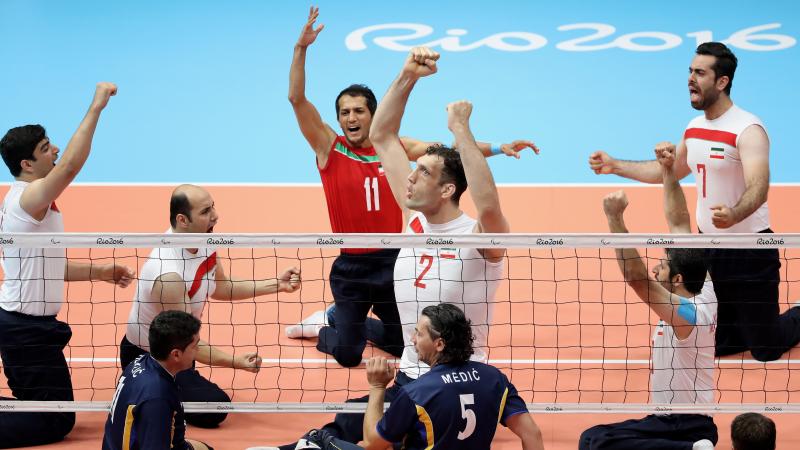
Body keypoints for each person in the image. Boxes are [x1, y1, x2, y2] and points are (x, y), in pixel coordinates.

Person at [272, 46, 528, 449]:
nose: (409, 178)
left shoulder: (479, 238)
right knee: (340, 422)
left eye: (422, 172)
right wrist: (407, 75)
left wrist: (461, 129)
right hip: (410, 377)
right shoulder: (411, 224)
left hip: (456, 380)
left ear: (446, 189)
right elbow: (383, 136)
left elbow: (490, 203)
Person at [286, 7, 537, 368]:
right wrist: (301, 48)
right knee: (347, 354)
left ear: (372, 115)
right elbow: (297, 100)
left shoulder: (399, 150)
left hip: (395, 255)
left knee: (402, 339)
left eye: (359, 111)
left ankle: (351, 324)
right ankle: (331, 322)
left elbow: (446, 154)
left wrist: (498, 147)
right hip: (352, 265)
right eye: (344, 112)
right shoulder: (330, 146)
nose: (351, 118)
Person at [588, 42, 800, 361]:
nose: (690, 78)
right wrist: (615, 165)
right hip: (707, 250)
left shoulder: (748, 129)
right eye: (690, 71)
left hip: (749, 253)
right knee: (709, 344)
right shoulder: (695, 128)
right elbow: (669, 171)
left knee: (766, 349)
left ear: (722, 81)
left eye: (700, 72)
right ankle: (747, 322)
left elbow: (759, 186)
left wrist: (734, 213)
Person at [0, 83, 136, 448]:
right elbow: (73, 165)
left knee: (52, 412)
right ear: (26, 165)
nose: (55, 150)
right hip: (25, 332)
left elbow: (47, 266)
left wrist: (99, 271)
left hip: (27, 328)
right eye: (46, 148)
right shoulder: (30, 198)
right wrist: (96, 108)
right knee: (55, 421)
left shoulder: (32, 205)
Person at [122, 184, 301, 428]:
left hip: (181, 354)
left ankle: (158, 394)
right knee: (216, 409)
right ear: (183, 220)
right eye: (206, 211)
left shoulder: (205, 240)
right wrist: (236, 361)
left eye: (213, 206)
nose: (215, 215)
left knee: (209, 403)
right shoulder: (168, 275)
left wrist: (276, 285)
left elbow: (221, 287)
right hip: (152, 357)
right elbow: (183, 342)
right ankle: (141, 387)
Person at [579, 145, 718, 449]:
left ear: (678, 279)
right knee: (592, 438)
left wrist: (615, 220)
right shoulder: (705, 287)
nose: (657, 270)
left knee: (595, 442)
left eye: (663, 266)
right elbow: (679, 221)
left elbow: (637, 280)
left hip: (682, 424)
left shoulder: (688, 315)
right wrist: (668, 171)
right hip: (680, 419)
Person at [262, 305, 543, 450]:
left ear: (440, 344)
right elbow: (531, 433)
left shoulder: (419, 392)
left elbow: (372, 444)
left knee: (319, 438)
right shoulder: (494, 379)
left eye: (419, 333)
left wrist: (376, 387)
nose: (412, 338)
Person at [103, 310, 213, 450]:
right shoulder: (158, 398)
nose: (198, 350)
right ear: (176, 354)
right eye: (195, 346)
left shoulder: (139, 362)